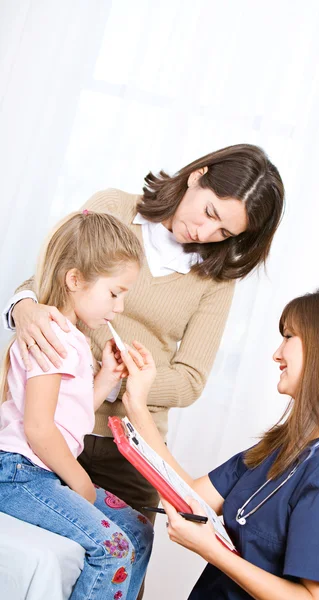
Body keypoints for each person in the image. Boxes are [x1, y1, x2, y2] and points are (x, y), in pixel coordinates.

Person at [3, 143, 285, 523]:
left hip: (130, 449)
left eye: (223, 231)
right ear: (196, 176)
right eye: (209, 212)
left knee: (123, 561)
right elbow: (51, 280)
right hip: (46, 428)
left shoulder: (215, 280)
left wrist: (120, 382)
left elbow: (190, 380)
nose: (204, 232)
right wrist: (22, 308)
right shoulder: (114, 208)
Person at [119, 289, 319, 600]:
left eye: (288, 337)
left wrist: (212, 551)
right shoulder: (284, 446)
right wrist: (137, 401)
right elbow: (188, 496)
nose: (277, 353)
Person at [0, 211, 154, 599]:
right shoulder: (51, 336)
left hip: (40, 471)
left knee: (138, 529)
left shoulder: (72, 338)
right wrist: (80, 480)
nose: (119, 307)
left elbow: (65, 413)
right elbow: (38, 428)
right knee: (114, 550)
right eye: (114, 293)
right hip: (19, 473)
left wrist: (104, 379)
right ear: (75, 280)